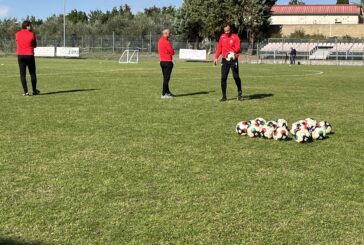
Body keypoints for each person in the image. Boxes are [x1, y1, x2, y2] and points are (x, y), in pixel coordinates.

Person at [214, 24, 243, 102]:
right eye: (225, 31)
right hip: (225, 60)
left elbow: (238, 48)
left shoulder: (235, 37)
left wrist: (232, 53)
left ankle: (239, 92)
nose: (226, 32)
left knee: (236, 77)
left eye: (228, 31)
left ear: (230, 29)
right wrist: (216, 57)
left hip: (233, 59)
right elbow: (219, 48)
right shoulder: (222, 37)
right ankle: (224, 96)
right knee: (223, 78)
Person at [15, 21, 40, 96]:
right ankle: (34, 90)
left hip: (20, 55)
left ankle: (26, 92)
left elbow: (19, 42)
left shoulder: (17, 34)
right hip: (29, 55)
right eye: (30, 26)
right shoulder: (32, 34)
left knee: (23, 75)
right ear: (27, 26)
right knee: (32, 74)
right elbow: (35, 45)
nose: (31, 27)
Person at [158, 29, 175, 99]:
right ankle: (164, 94)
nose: (170, 34)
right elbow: (172, 51)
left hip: (162, 61)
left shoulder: (160, 40)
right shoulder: (166, 41)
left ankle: (167, 92)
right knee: (166, 79)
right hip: (167, 61)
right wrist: (172, 52)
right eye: (169, 33)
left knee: (165, 78)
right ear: (166, 33)